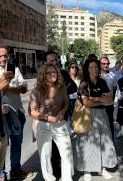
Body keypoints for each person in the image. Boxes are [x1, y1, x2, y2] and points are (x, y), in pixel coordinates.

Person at [0, 44, 32, 180]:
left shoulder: (14, 69)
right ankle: (2, 174)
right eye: (0, 56)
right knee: (1, 147)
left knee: (16, 143)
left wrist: (9, 88)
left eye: (5, 55)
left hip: (17, 111)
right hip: (0, 115)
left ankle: (15, 170)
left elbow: (24, 87)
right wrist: (5, 86)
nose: (3, 58)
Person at [73, 58, 117, 181]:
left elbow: (109, 99)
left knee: (104, 141)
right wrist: (100, 99)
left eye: (96, 67)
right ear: (87, 69)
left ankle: (103, 168)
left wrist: (95, 98)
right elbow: (86, 102)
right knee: (87, 142)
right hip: (87, 115)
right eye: (91, 67)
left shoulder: (102, 82)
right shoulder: (84, 83)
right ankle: (87, 169)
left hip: (102, 115)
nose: (94, 69)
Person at [28, 64, 73, 181]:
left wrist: (62, 112)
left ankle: (67, 178)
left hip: (59, 124)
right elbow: (31, 111)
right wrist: (46, 117)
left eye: (54, 72)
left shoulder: (61, 88)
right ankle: (49, 179)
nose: (53, 74)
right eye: (49, 72)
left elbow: (66, 104)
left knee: (67, 152)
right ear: (43, 75)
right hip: (43, 125)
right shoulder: (36, 91)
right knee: (45, 155)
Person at [43, 51, 77, 179]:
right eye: (51, 60)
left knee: (64, 147)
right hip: (47, 118)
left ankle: (66, 174)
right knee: (50, 149)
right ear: (46, 63)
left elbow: (73, 87)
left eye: (56, 59)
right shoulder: (42, 76)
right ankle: (54, 173)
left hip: (62, 115)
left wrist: (61, 91)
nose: (55, 62)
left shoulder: (62, 73)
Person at [100, 56, 117, 140]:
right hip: (99, 105)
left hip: (109, 105)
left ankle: (111, 142)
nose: (106, 65)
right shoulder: (97, 75)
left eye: (107, 63)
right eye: (103, 63)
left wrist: (111, 100)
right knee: (100, 125)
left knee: (110, 124)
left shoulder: (112, 75)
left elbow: (114, 89)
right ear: (100, 64)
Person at [67, 61, 80, 128]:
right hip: (70, 100)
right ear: (69, 68)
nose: (74, 69)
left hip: (79, 100)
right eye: (72, 67)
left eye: (76, 67)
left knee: (79, 117)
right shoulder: (67, 78)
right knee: (72, 116)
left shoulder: (79, 78)